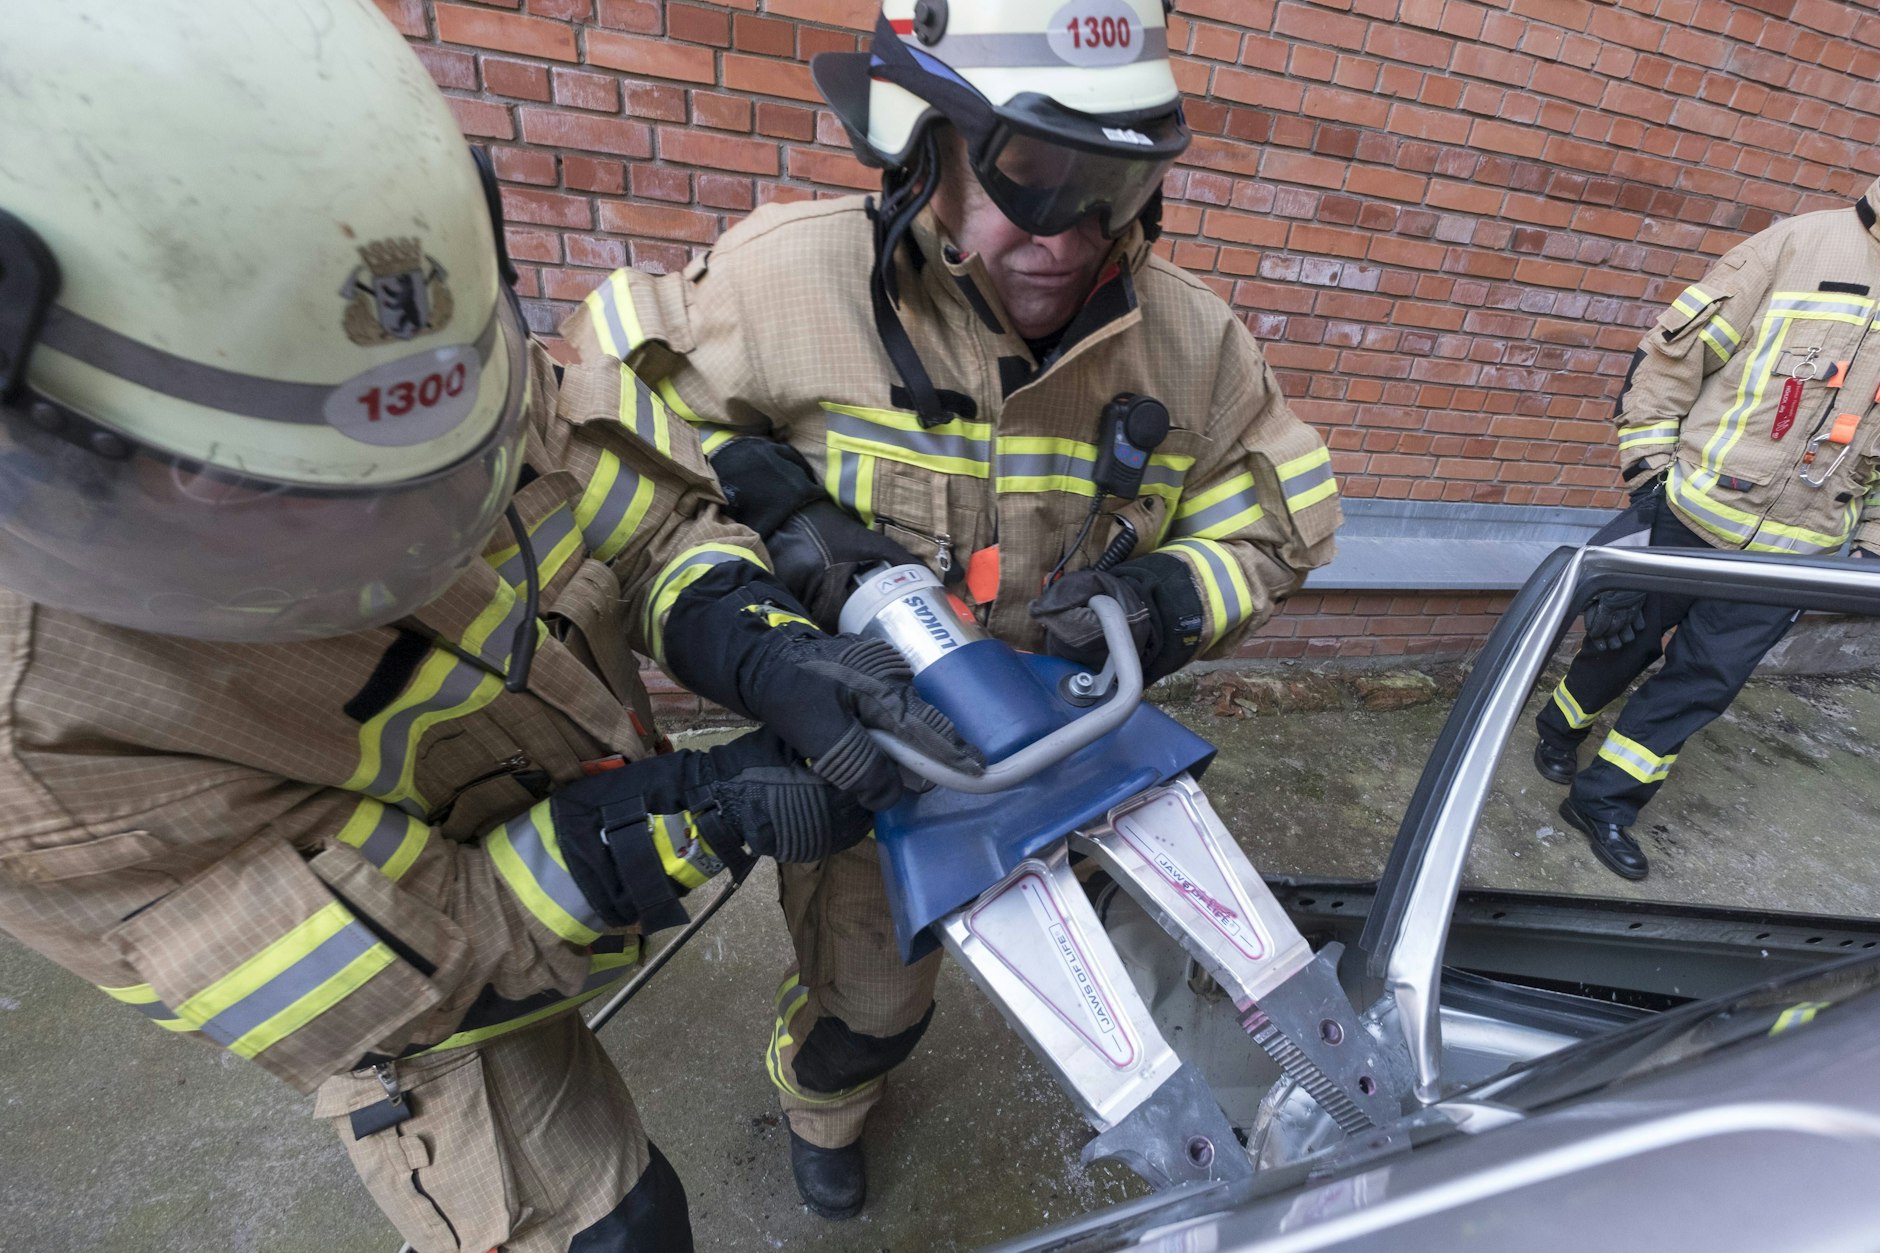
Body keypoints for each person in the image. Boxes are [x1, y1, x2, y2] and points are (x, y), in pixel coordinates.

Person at [0, 5, 978, 1251]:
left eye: (445, 458)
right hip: (407, 955)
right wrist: (690, 818)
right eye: (298, 502)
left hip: (541, 788)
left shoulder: (400, 356)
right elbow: (388, 975)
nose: (419, 540)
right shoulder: (38, 739)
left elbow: (626, 506)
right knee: (605, 1230)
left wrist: (757, 641)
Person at [586, 0, 1341, 1218]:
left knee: (1195, 976)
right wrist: (744, 621)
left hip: (1081, 742)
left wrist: (1160, 603)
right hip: (873, 760)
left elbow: (1282, 510)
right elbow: (615, 423)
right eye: (1029, 171)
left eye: (1112, 179)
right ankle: (821, 1098)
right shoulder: (787, 281)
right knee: (869, 1008)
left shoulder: (1188, 343)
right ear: (919, 141)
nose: (1067, 234)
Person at [1534, 176, 1880, 882]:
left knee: (1703, 681)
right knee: (1621, 641)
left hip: (1795, 553)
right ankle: (1559, 726)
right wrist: (1650, 476)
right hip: (1690, 512)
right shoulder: (1796, 245)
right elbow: (1671, 354)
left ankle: (1605, 802)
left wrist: (1870, 548)